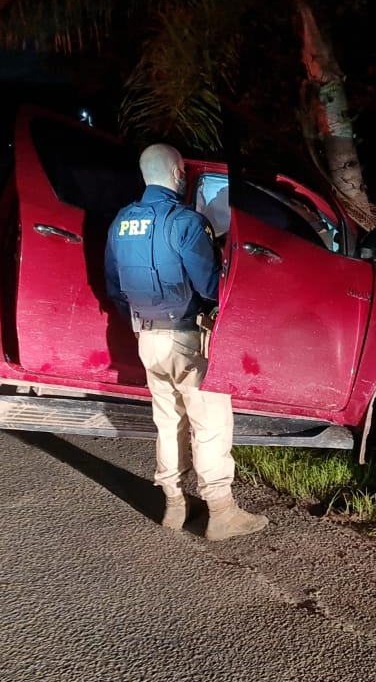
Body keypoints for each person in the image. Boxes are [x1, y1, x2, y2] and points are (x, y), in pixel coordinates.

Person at [104, 143, 268, 541]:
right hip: (188, 338)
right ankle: (221, 512)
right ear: (179, 174)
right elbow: (210, 287)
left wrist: (142, 322)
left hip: (148, 338)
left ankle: (175, 506)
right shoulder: (186, 223)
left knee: (168, 421)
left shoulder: (122, 222)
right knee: (208, 423)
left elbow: (113, 285)